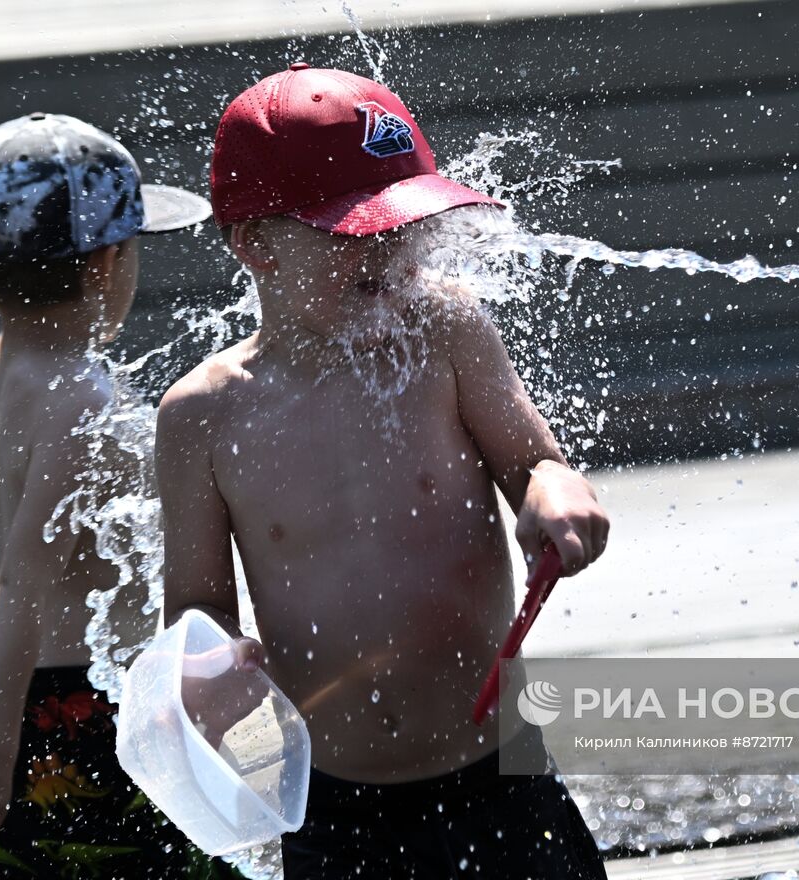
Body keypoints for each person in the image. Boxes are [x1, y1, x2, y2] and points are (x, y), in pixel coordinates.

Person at [157, 65, 611, 879]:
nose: (391, 254)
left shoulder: (445, 332)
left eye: (404, 227)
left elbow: (531, 461)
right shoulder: (203, 418)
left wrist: (557, 492)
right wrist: (211, 672)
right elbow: (196, 605)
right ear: (255, 245)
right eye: (353, 235)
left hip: (500, 776)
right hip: (337, 810)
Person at [0, 112, 245, 878]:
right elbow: (23, 587)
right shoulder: (80, 397)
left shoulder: (2, 367)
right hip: (68, 726)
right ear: (107, 264)